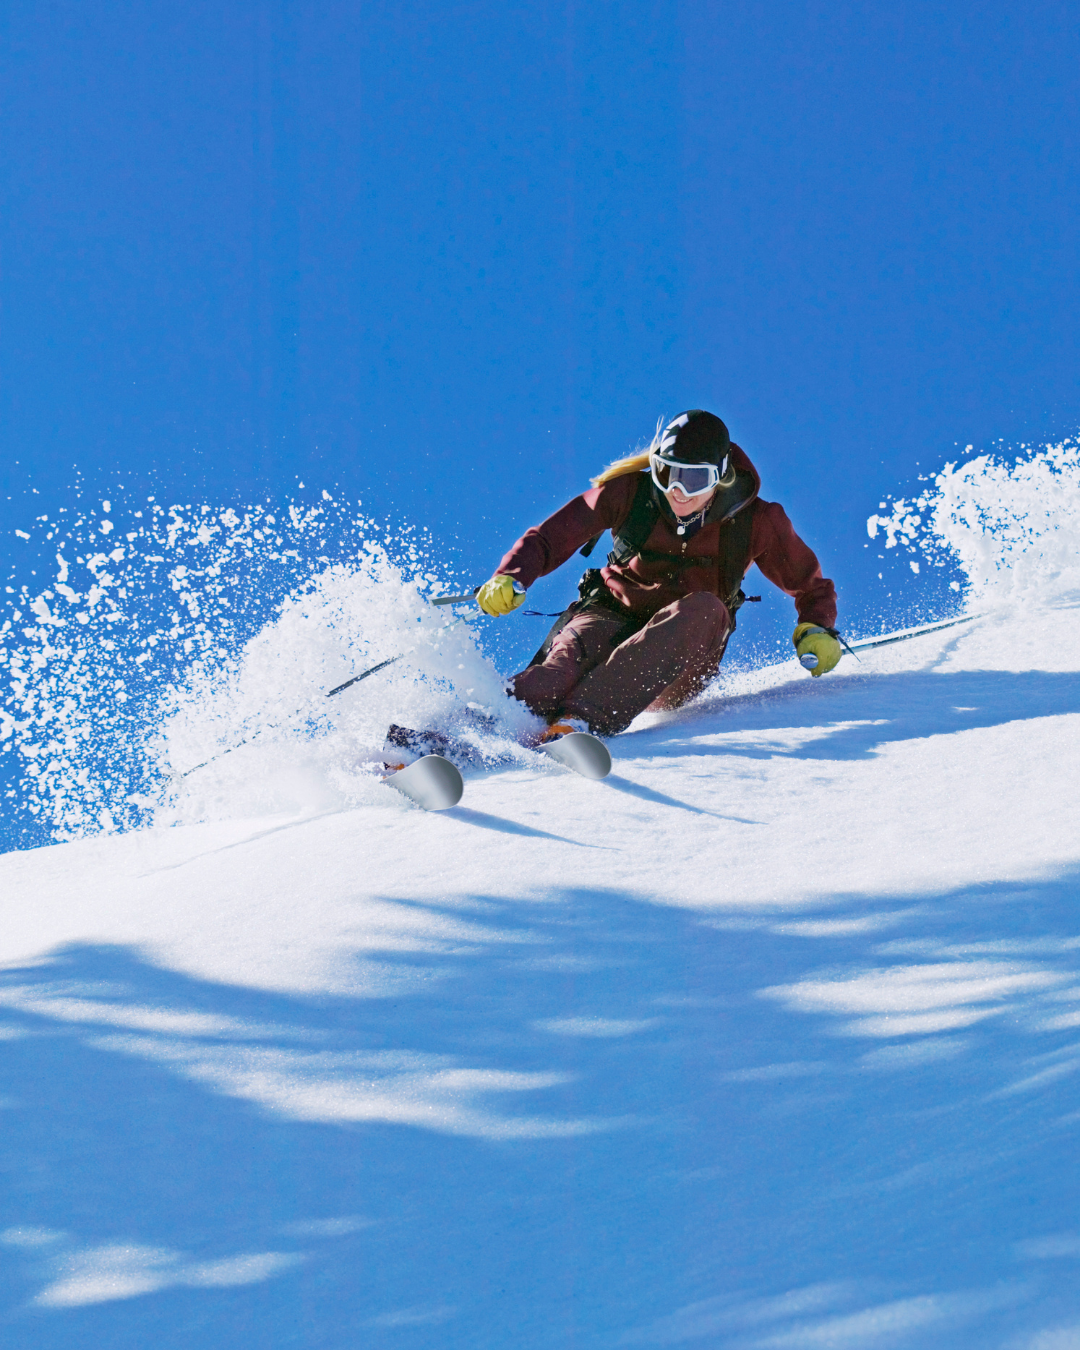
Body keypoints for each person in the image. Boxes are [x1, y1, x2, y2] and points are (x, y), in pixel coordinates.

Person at [475, 410, 841, 739]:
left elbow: (811, 586)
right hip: (609, 613)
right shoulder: (631, 494)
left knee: (706, 608)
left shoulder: (756, 521)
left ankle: (578, 722)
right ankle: (455, 732)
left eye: (695, 481)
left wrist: (816, 627)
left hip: (682, 652)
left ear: (721, 477)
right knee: (553, 675)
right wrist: (511, 575)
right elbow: (551, 537)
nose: (678, 492)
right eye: (668, 474)